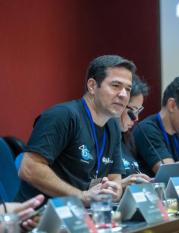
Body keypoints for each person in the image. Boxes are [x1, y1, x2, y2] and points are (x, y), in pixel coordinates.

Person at [16, 55, 135, 206]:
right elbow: (28, 168)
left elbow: (114, 177)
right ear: (92, 86)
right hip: (41, 216)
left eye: (128, 89)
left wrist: (115, 189)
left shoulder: (113, 126)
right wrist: (82, 197)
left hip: (86, 214)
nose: (124, 94)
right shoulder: (62, 116)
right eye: (115, 86)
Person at [118, 74, 151, 187]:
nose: (136, 118)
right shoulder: (99, 138)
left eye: (138, 111)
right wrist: (122, 184)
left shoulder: (126, 138)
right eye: (133, 111)